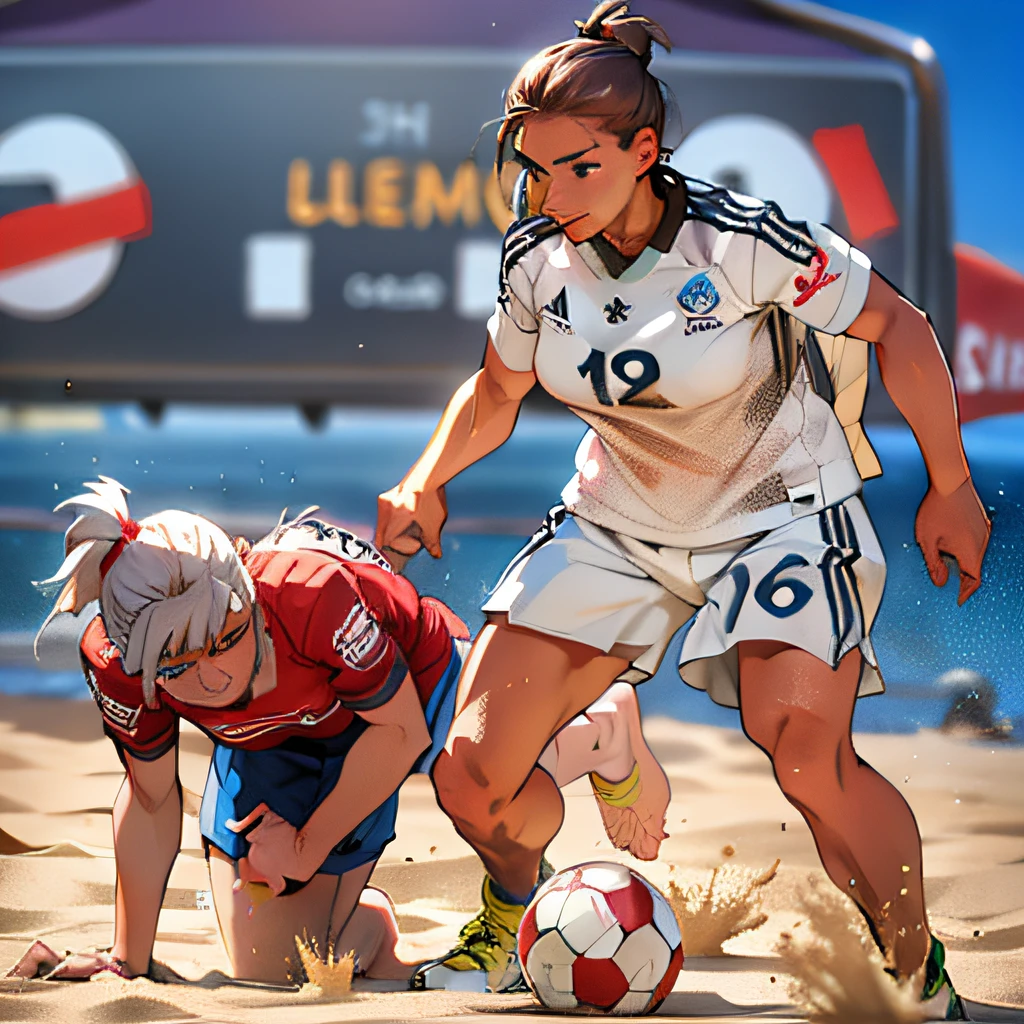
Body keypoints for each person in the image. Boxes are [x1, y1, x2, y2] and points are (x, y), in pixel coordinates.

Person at [375, 2, 991, 1017]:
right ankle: (507, 917)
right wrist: (423, 478)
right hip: (618, 522)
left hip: (779, 512)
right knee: (471, 775)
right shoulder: (535, 260)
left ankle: (918, 980)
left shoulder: (738, 238)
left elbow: (900, 324)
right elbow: (495, 391)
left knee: (804, 752)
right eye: (534, 168)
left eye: (576, 166)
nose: (547, 190)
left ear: (644, 151)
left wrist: (951, 484)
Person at [33, 478, 668, 986]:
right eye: (176, 664)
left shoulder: (312, 598)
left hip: (406, 685)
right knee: (271, 971)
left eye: (222, 641)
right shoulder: (117, 663)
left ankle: (597, 733)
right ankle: (365, 929)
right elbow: (150, 797)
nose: (208, 678)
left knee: (479, 788)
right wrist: (126, 959)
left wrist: (306, 849)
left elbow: (398, 734)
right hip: (276, 736)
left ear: (246, 597)